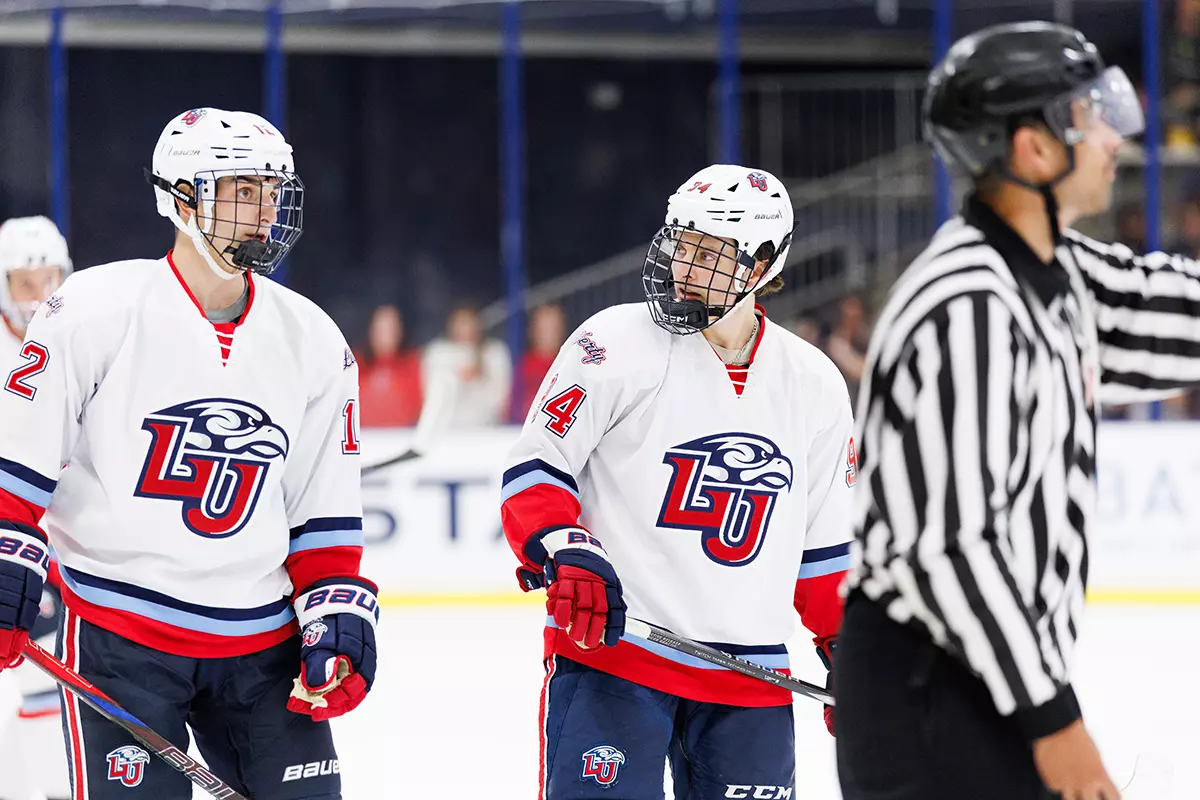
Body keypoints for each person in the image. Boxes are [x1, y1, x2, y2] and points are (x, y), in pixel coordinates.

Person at [835, 22, 1199, 800]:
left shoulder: (1053, 270)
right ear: (1034, 148)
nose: (1111, 138)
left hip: (982, 682)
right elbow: (946, 549)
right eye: (1088, 115)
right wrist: (1054, 721)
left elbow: (1164, 311)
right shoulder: (968, 302)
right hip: (930, 691)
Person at [0, 107, 378, 798]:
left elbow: (321, 519)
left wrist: (338, 610)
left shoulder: (316, 341)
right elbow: (18, 466)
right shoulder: (91, 311)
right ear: (180, 199)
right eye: (241, 189)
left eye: (270, 189)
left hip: (263, 651)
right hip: (122, 637)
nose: (263, 208)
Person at [500, 164, 855, 797]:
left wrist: (852, 652)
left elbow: (824, 548)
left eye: (708, 253)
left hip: (751, 680)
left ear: (764, 263)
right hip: (616, 660)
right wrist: (565, 547)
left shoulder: (815, 382)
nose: (684, 266)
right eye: (680, 244)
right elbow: (536, 470)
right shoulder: (612, 341)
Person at [0, 216, 71, 800]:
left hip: (63, 548)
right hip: (11, 544)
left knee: (54, 691)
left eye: (52, 279)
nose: (42, 295)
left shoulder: (79, 341)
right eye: (27, 283)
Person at [422, 303, 511, 427]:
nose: (465, 328)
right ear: (451, 325)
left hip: (487, 430)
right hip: (448, 429)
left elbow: (501, 400)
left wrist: (480, 375)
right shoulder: (438, 353)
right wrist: (457, 378)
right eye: (460, 323)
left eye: (469, 322)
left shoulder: (494, 352)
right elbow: (431, 397)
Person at [357, 303, 423, 427]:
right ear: (371, 330)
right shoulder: (355, 364)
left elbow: (418, 406)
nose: (386, 334)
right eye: (381, 328)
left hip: (402, 436)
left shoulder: (412, 363)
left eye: (391, 328)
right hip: (364, 437)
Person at [514, 303, 567, 420]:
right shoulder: (524, 364)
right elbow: (513, 406)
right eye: (544, 328)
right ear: (534, 330)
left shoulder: (568, 364)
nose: (548, 334)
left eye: (553, 328)